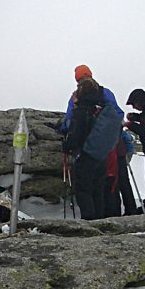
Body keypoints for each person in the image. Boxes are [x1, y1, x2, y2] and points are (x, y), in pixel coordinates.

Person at [62, 78, 109, 220]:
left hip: (85, 156)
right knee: (97, 190)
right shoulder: (100, 109)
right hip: (101, 156)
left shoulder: (81, 111)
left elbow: (76, 135)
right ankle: (100, 221)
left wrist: (66, 145)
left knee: (83, 190)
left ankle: (89, 222)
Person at [61, 64, 123, 132]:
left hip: (81, 132)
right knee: (125, 138)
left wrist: (63, 129)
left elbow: (69, 117)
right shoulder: (104, 92)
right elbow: (118, 113)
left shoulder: (75, 96)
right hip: (103, 130)